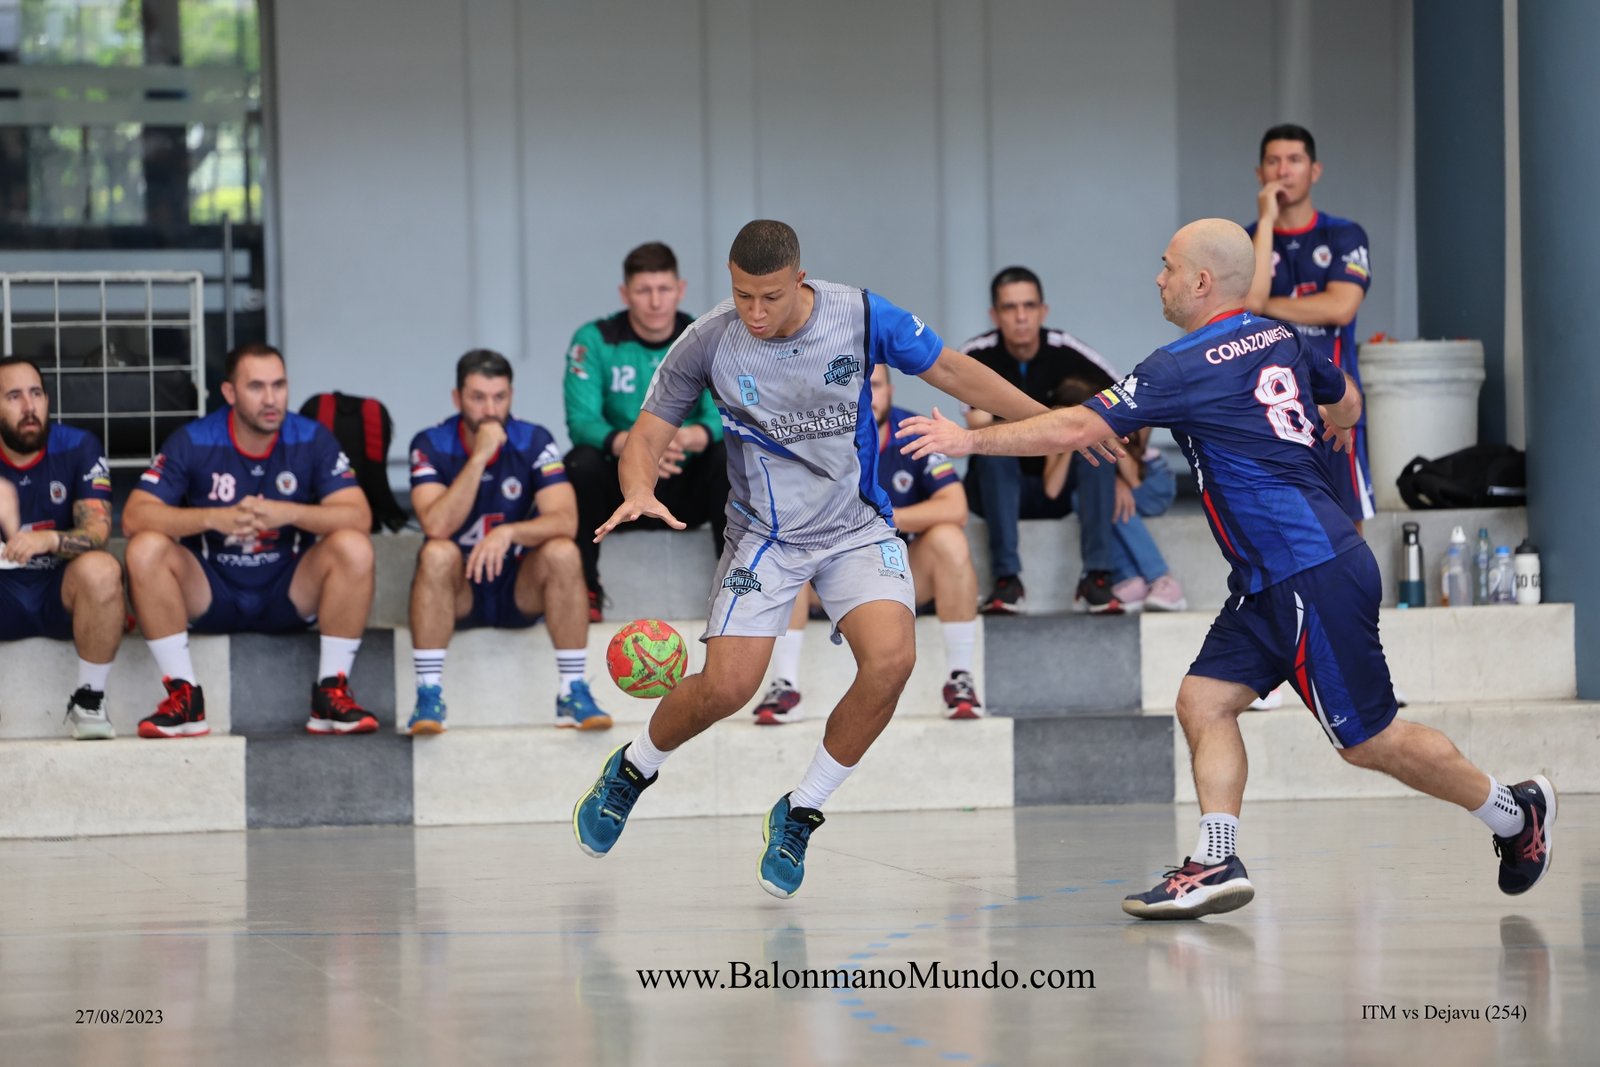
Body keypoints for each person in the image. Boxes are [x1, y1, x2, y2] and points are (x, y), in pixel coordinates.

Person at [898, 218, 1555, 919]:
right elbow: (1346, 400)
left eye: (1168, 266)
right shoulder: (1283, 337)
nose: (1159, 278)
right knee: (1204, 701)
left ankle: (1515, 814)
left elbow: (1077, 426)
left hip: (1309, 571)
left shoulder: (1179, 366)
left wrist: (966, 440)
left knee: (1370, 741)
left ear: (1202, 281)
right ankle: (1216, 858)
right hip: (1272, 578)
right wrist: (1335, 425)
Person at [572, 220, 1118, 898]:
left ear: (800, 280)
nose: (756, 312)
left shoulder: (857, 314)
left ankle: (800, 811)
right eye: (743, 295)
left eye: (771, 296)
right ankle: (633, 769)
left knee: (892, 661)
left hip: (855, 526)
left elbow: (952, 369)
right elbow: (647, 433)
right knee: (728, 688)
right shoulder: (709, 339)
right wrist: (637, 488)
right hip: (765, 535)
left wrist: (1053, 422)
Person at [122, 343, 379, 738]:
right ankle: (184, 698)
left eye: (279, 385)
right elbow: (134, 516)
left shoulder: (311, 438)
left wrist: (289, 512)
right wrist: (213, 518)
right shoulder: (194, 440)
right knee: (144, 548)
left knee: (354, 545)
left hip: (288, 590)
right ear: (230, 393)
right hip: (212, 590)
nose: (271, 399)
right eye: (256, 387)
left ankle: (331, 692)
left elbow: (360, 516)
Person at [751, 362, 983, 724]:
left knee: (949, 539)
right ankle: (784, 686)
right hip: (826, 578)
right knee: (785, 548)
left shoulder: (912, 430)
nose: (866, 395)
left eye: (874, 385)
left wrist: (882, 517)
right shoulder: (810, 437)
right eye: (857, 386)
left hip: (899, 575)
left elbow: (955, 507)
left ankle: (960, 679)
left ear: (890, 391)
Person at [406, 349, 611, 734]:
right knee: (436, 552)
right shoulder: (430, 443)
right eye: (478, 397)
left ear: (511, 396)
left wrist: (509, 532)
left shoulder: (533, 439)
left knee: (564, 551)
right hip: (459, 591)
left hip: (519, 586)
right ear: (457, 398)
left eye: (499, 397)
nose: (490, 409)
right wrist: (480, 457)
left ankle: (572, 690)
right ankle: (428, 693)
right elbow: (435, 524)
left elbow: (566, 521)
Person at [961, 267, 1183, 615]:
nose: (1021, 316)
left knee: (1091, 440)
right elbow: (976, 426)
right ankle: (1007, 581)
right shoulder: (977, 355)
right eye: (1009, 307)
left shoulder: (1067, 350)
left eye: (1029, 306)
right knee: (993, 447)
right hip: (1001, 491)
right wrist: (1057, 420)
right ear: (994, 315)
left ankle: (1097, 577)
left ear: (1043, 311)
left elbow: (1133, 404)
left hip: (1064, 487)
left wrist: (1119, 476)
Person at [563, 242, 728, 621]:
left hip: (684, 477)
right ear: (625, 294)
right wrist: (639, 447)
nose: (655, 301)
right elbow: (581, 422)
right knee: (579, 463)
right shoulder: (595, 339)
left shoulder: (703, 336)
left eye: (664, 289)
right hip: (619, 490)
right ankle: (585, 586)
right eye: (643, 290)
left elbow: (724, 412)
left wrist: (689, 437)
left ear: (680, 289)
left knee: (728, 457)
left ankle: (732, 587)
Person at [1246, 123, 1375, 532]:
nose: (1283, 171)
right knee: (1278, 526)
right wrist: (1266, 221)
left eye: (1294, 160)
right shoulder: (1245, 240)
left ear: (1314, 170)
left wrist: (1268, 308)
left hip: (1335, 403)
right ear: (1260, 173)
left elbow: (1341, 307)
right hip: (1268, 407)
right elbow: (1248, 303)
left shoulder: (1343, 234)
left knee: (1347, 525)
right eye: (1273, 161)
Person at [0, 355, 122, 740]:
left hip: (57, 590)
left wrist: (50, 539)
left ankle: (90, 700)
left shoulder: (78, 445)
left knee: (103, 569)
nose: (29, 407)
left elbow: (99, 531)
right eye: (14, 396)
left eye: (36, 394)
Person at [1042, 377, 1184, 613]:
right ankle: (1130, 579)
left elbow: (1134, 480)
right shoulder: (1056, 439)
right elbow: (1052, 490)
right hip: (1118, 485)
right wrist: (1073, 442)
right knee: (1085, 500)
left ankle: (1162, 579)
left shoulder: (1113, 417)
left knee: (1108, 501)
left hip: (1152, 480)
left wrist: (1100, 432)